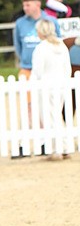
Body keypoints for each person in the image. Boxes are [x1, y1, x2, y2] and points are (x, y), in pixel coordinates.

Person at [31, 19, 72, 159]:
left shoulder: (41, 48)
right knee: (57, 116)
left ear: (41, 31)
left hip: (46, 87)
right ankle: (65, 146)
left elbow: (38, 71)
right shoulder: (61, 45)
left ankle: (57, 149)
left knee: (49, 118)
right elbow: (67, 68)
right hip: (61, 86)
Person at [13, 0, 60, 80]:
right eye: (24, 5)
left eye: (28, 5)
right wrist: (25, 60)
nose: (25, 8)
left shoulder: (51, 21)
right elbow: (17, 45)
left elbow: (58, 41)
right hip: (27, 68)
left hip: (48, 68)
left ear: (38, 4)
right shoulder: (20, 23)